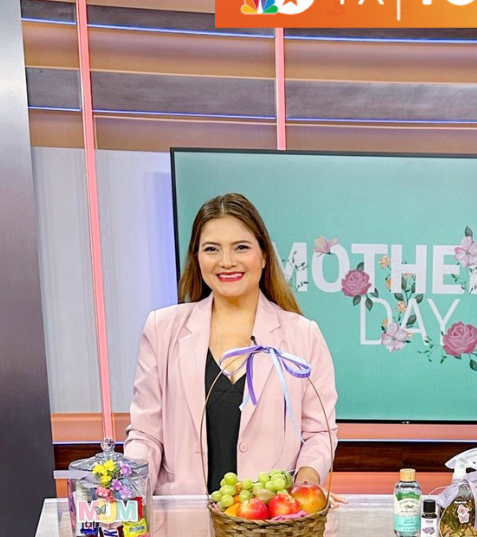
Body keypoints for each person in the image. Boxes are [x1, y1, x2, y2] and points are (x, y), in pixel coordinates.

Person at [126, 193, 337, 496]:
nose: (226, 262)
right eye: (212, 249)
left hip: (269, 523)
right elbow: (146, 433)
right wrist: (129, 489)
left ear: (264, 256)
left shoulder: (303, 335)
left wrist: (306, 483)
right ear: (197, 257)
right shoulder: (162, 329)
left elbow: (319, 433)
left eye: (241, 247)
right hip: (184, 524)